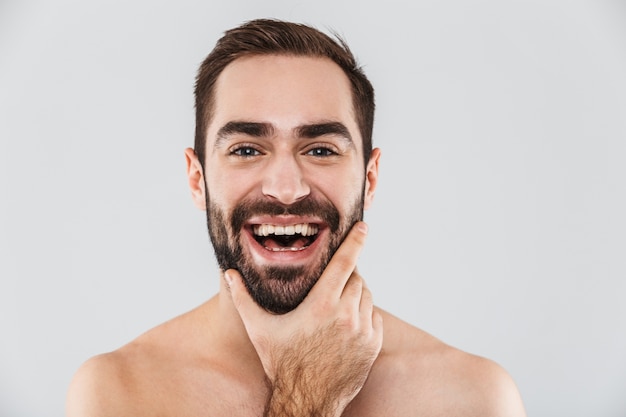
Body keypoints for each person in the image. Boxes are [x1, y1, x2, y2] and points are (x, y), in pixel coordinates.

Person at [66, 18, 527, 416]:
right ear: (197, 180)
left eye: (321, 149)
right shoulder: (116, 393)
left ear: (369, 179)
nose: (286, 189)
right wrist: (308, 397)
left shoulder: (473, 398)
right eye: (246, 150)